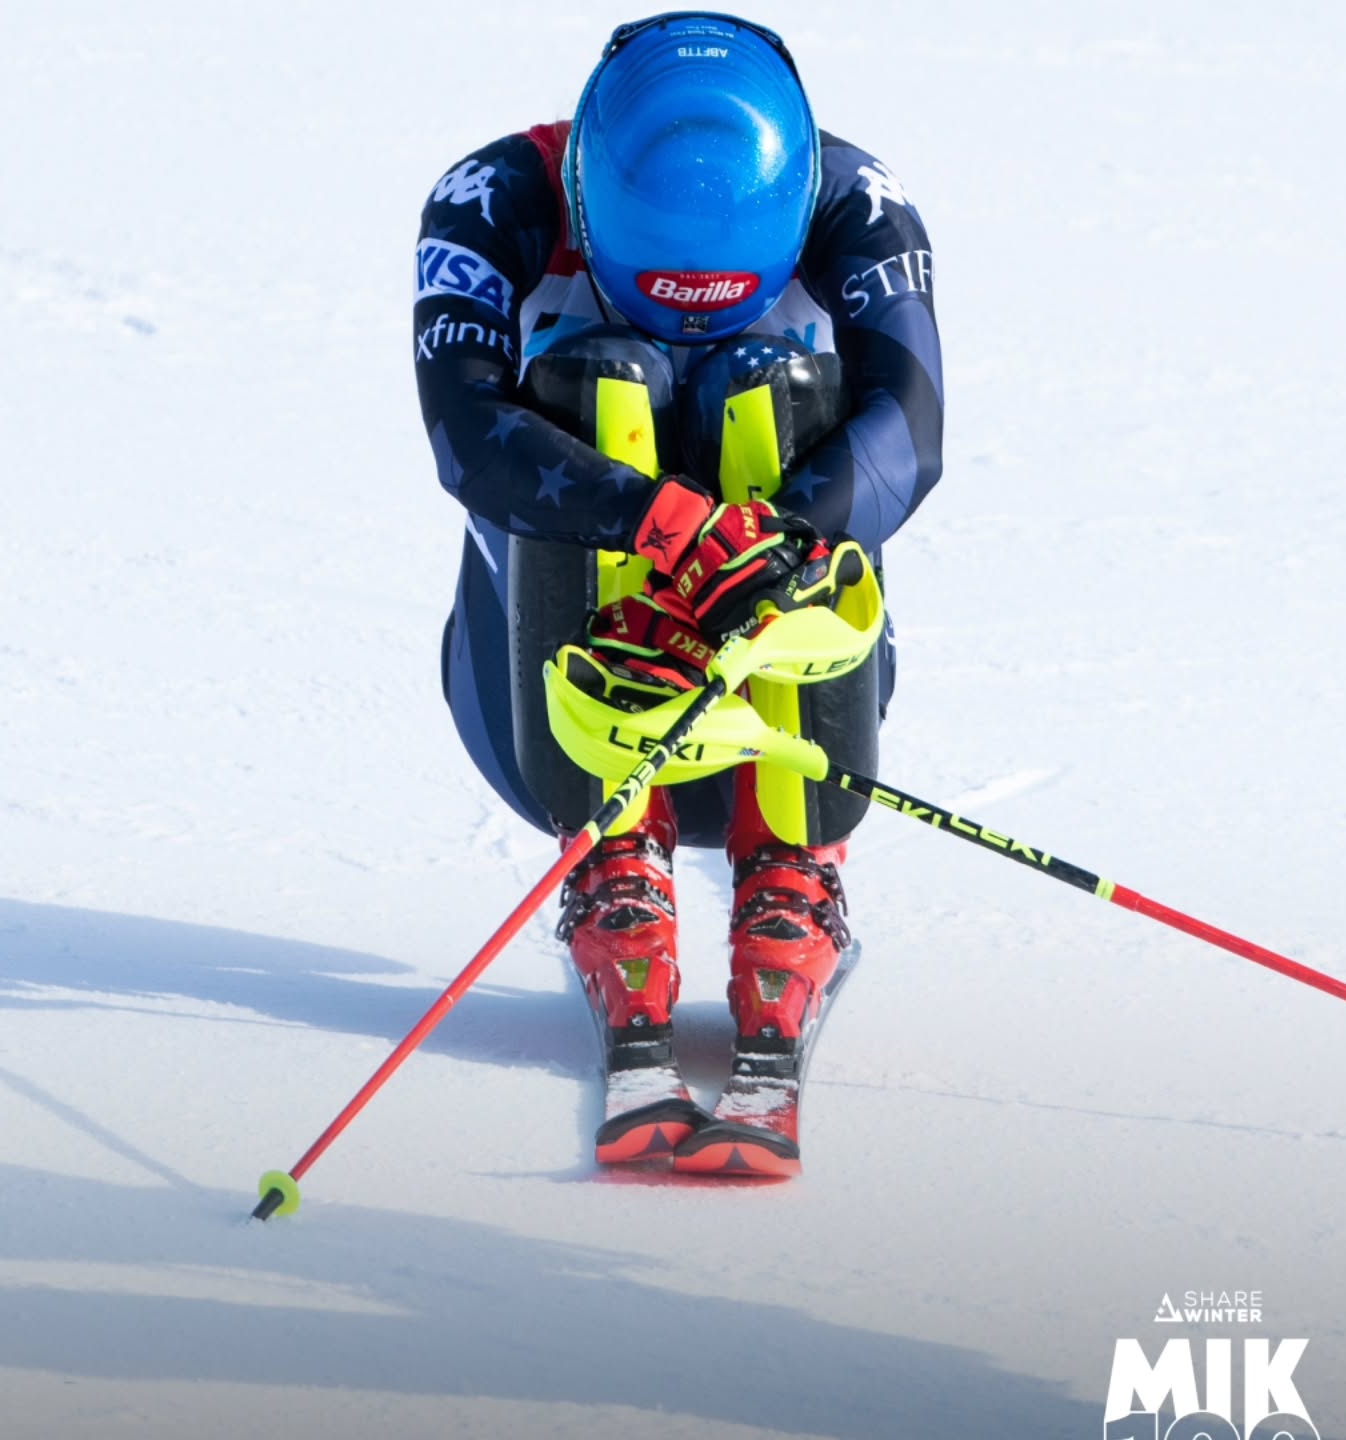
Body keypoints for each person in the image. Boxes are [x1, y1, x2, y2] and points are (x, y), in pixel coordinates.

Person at [414, 11, 944, 1168]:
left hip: (787, 702)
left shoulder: (858, 202)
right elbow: (464, 435)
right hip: (548, 701)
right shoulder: (492, 200)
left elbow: (912, 431)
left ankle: (793, 875)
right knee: (597, 374)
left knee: (769, 380)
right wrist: (662, 525)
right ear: (590, 200)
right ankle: (616, 868)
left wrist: (774, 539)